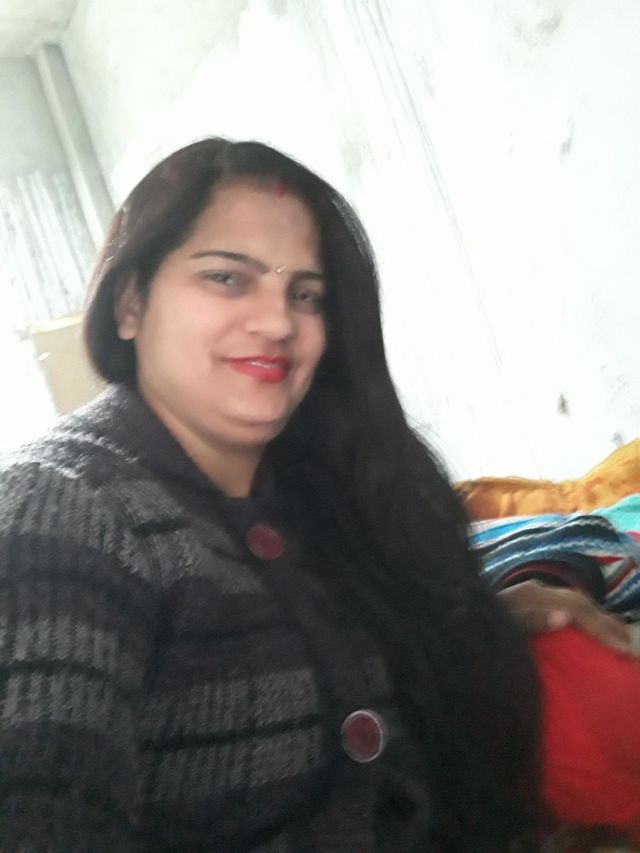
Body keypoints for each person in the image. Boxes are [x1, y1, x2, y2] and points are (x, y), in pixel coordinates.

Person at [0, 137, 633, 852]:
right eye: (227, 278)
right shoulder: (57, 510)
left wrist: (468, 626)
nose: (277, 322)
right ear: (128, 304)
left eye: (306, 295)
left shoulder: (316, 487)